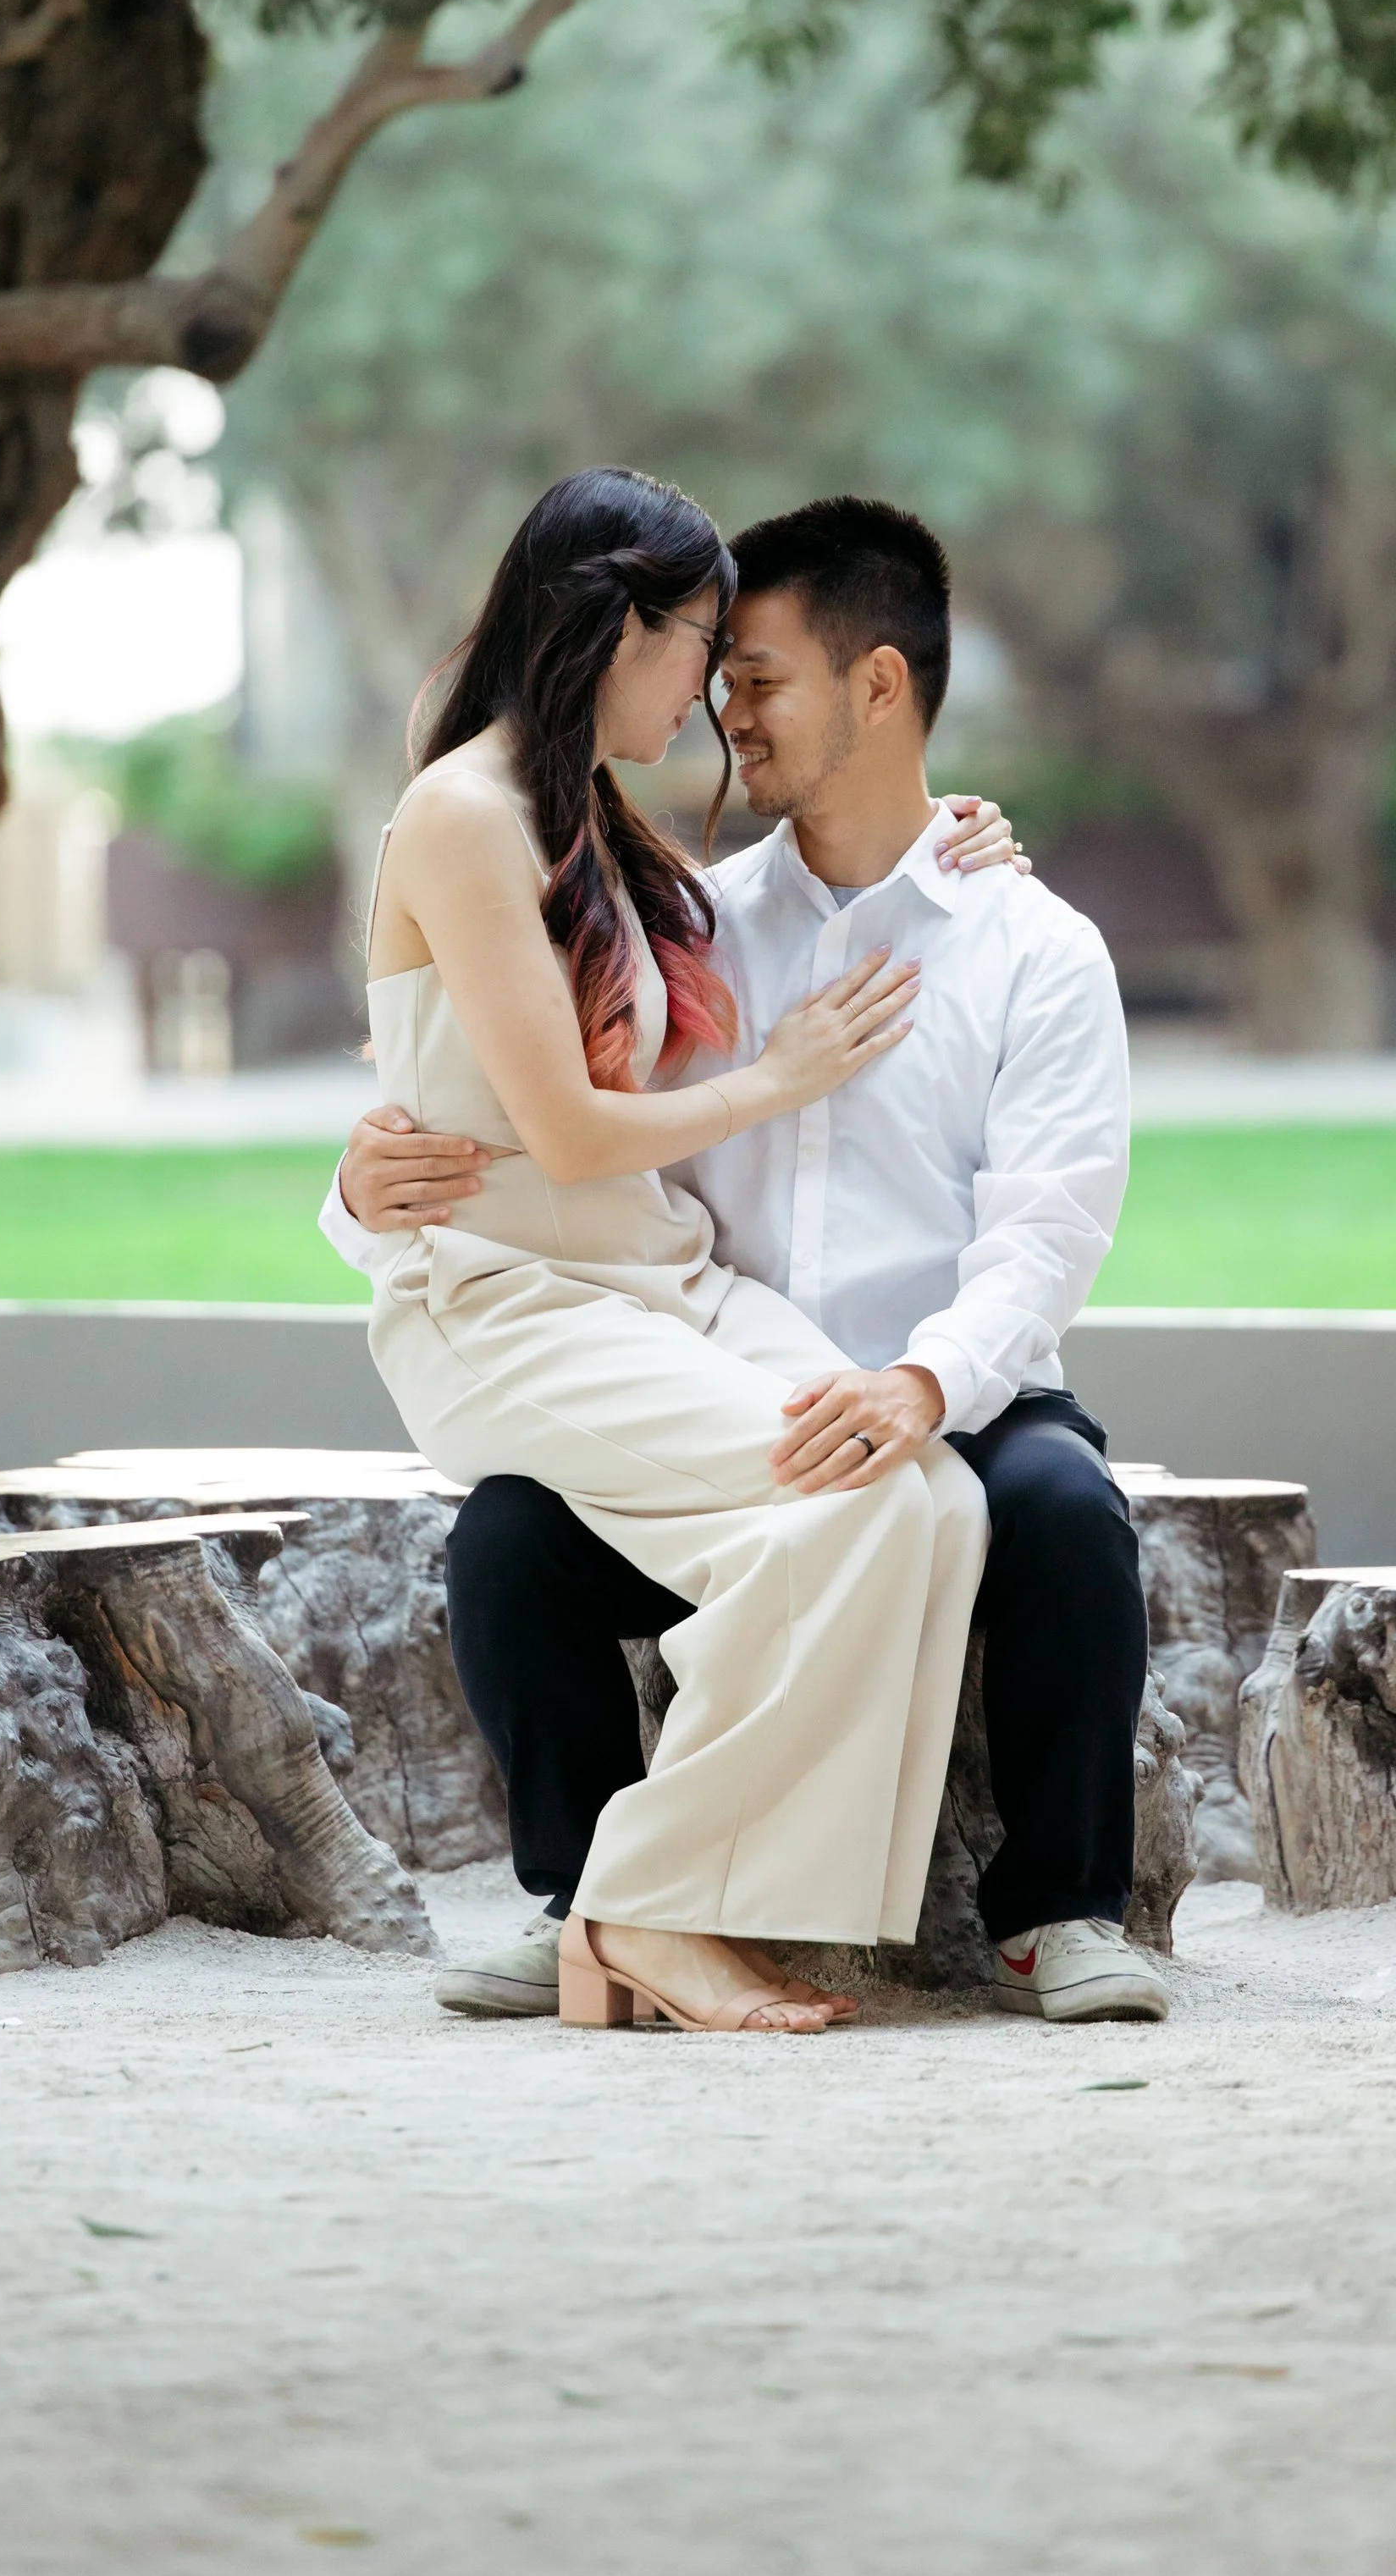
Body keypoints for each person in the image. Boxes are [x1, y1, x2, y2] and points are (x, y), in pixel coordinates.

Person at [328, 493, 1166, 2027]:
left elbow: (1050, 1229)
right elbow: (506, 1104)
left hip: (938, 1372)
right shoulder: (697, 912)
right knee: (512, 1540)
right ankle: (600, 1898)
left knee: (1039, 1511)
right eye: (717, 664)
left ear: (881, 686)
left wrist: (925, 1379)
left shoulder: (1027, 941)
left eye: (758, 672)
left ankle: (1057, 1910)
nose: (725, 704)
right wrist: (357, 1184)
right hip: (686, 1351)